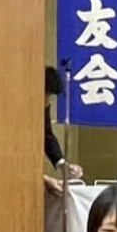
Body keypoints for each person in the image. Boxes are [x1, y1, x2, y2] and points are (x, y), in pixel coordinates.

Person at [44, 65, 84, 196]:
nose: (47, 101)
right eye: (47, 95)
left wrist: (63, 164)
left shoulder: (44, 105)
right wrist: (43, 178)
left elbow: (47, 136)